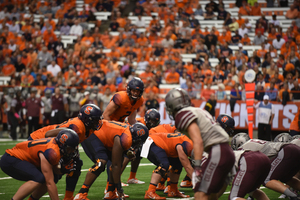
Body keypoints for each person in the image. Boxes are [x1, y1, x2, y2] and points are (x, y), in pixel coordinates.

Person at [165, 88, 235, 200]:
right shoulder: (197, 110)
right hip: (227, 152)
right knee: (211, 196)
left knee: (200, 194)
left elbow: (198, 141)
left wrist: (197, 168)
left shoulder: (182, 115)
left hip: (218, 151)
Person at [28, 104, 103, 200]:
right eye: (95, 120)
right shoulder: (77, 126)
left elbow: (82, 142)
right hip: (39, 140)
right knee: (51, 176)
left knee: (75, 164)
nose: (98, 122)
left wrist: (95, 159)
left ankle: (68, 197)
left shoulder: (87, 128)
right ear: (87, 120)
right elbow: (49, 134)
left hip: (53, 143)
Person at [74, 122, 149, 200]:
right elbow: (115, 165)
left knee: (119, 162)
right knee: (101, 163)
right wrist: (119, 189)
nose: (137, 144)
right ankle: (81, 194)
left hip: (102, 138)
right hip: (92, 134)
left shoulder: (127, 133)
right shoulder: (126, 138)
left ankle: (110, 192)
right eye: (138, 142)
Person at [0, 129, 80, 200]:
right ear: (63, 145)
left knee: (55, 177)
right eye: (70, 149)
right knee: (39, 178)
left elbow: (54, 171)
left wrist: (63, 170)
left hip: (22, 159)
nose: (72, 152)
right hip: (11, 159)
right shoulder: (52, 152)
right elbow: (49, 183)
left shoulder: (56, 146)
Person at [102, 77, 145, 184]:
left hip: (120, 126)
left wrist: (137, 131)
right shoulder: (120, 97)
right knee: (114, 155)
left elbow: (131, 119)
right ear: (129, 89)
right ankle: (111, 185)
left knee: (129, 151)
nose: (135, 93)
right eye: (134, 90)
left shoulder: (139, 100)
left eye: (138, 91)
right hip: (109, 125)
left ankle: (116, 181)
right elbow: (105, 115)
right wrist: (114, 129)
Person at [233, 133, 300, 200]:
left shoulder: (243, 149)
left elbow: (252, 171)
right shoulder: (253, 143)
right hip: (293, 149)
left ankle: (294, 197)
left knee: (267, 179)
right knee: (286, 178)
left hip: (286, 150)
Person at [143, 132, 193, 199]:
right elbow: (187, 166)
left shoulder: (189, 143)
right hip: (153, 142)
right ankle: (150, 192)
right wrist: (198, 183)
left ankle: (173, 190)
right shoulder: (186, 145)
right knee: (164, 164)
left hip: (163, 144)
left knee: (177, 165)